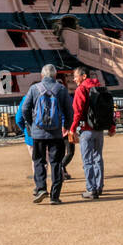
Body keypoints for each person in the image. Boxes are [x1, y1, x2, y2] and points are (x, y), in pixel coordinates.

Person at [19, 64, 73, 204]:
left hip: (38, 134)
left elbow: (25, 109)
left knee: (39, 161)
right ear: (55, 76)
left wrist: (32, 124)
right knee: (56, 163)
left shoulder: (34, 89)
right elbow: (69, 111)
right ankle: (55, 196)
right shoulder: (61, 89)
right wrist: (66, 126)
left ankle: (41, 188)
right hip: (56, 133)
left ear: (42, 76)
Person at [68, 66, 116, 199]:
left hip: (86, 130)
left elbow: (78, 112)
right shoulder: (100, 88)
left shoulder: (81, 89)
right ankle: (99, 187)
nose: (74, 79)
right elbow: (109, 108)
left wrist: (73, 128)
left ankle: (91, 189)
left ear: (83, 76)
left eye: (76, 76)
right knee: (98, 158)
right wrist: (112, 126)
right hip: (99, 128)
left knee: (87, 160)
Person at [15, 99, 33, 179]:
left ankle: (40, 186)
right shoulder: (50, 94)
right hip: (50, 133)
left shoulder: (26, 99)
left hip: (31, 135)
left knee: (36, 161)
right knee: (53, 159)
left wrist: (25, 130)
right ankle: (59, 178)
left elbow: (18, 119)